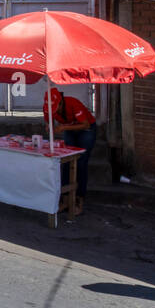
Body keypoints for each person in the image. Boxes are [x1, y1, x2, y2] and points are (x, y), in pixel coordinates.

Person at [43, 87, 96, 215]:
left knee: (81, 163)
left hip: (86, 129)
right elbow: (48, 120)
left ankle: (79, 199)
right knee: (66, 161)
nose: (54, 111)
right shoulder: (47, 107)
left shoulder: (73, 103)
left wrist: (64, 127)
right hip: (69, 129)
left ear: (61, 102)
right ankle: (66, 198)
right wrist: (49, 127)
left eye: (56, 108)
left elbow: (86, 124)